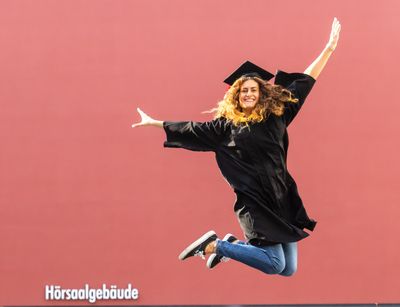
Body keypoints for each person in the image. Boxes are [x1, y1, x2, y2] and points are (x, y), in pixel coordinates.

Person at [132, 18, 341, 276]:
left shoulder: (277, 114)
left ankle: (230, 245)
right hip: (255, 203)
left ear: (262, 92)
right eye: (244, 91)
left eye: (254, 90)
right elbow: (192, 129)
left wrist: (328, 50)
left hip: (281, 197)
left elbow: (305, 82)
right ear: (236, 95)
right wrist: (155, 123)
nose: (249, 94)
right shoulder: (225, 128)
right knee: (275, 265)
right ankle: (216, 245)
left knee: (289, 269)